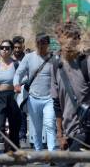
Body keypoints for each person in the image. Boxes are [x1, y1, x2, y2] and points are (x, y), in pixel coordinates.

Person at [51, 21, 90, 155]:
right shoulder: (56, 65)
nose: (68, 42)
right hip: (69, 134)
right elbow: (56, 104)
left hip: (85, 131)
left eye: (72, 37)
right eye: (64, 37)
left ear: (78, 40)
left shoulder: (86, 63)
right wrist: (60, 135)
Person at [14, 33, 56, 152]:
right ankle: (38, 153)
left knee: (49, 125)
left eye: (43, 42)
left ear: (48, 44)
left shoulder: (53, 59)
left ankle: (52, 153)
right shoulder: (29, 57)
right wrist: (16, 84)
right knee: (37, 128)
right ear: (35, 43)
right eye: (39, 42)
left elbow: (60, 76)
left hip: (49, 99)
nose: (41, 45)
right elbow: (18, 73)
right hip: (33, 99)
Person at [0, 39, 21, 151]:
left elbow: (21, 80)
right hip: (0, 97)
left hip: (12, 96)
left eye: (7, 48)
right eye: (2, 47)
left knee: (14, 125)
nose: (4, 50)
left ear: (11, 50)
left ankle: (14, 151)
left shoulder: (15, 64)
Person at [11, 36, 28, 142]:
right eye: (15, 47)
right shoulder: (8, 58)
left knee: (21, 112)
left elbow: (29, 74)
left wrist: (19, 83)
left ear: (23, 47)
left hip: (22, 89)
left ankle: (22, 134)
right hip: (9, 89)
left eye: (19, 47)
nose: (17, 50)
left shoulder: (27, 59)